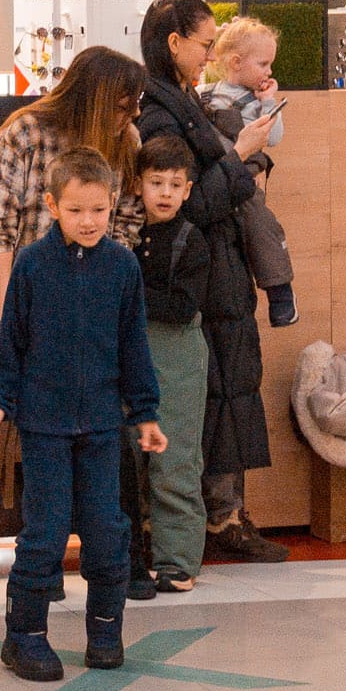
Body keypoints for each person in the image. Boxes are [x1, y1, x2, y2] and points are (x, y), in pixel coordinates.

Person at [0, 148, 163, 683]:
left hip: (104, 428)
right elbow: (10, 341)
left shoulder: (123, 266)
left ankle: (105, 629)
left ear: (112, 207)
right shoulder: (32, 265)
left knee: (108, 530)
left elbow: (134, 347)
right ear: (51, 205)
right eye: (76, 210)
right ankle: (25, 637)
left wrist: (145, 413)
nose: (89, 222)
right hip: (44, 428)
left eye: (99, 211)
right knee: (47, 532)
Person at [138, 0, 280, 562]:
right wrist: (241, 155)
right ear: (175, 43)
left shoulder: (183, 100)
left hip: (216, 270)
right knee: (197, 401)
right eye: (204, 43)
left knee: (227, 389)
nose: (210, 54)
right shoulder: (160, 110)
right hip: (193, 277)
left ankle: (219, 517)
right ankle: (202, 525)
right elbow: (181, 202)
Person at [0, 45, 148, 329]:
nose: (135, 113)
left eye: (135, 104)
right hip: (26, 301)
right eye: (122, 107)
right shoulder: (28, 132)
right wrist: (4, 307)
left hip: (92, 306)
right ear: (94, 102)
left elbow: (126, 223)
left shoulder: (127, 140)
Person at [131, 136, 210, 597]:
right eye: (155, 181)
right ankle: (130, 558)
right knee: (126, 458)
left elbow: (183, 307)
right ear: (137, 184)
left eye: (174, 184)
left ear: (188, 189)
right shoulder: (124, 232)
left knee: (174, 457)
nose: (164, 192)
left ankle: (178, 560)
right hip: (131, 353)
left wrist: (127, 294)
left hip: (177, 357)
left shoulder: (190, 241)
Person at [199, 17, 299, 328]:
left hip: (242, 180)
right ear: (236, 62)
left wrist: (268, 104)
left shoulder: (259, 105)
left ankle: (280, 290)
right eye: (263, 64)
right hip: (212, 177)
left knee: (262, 224)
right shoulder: (204, 93)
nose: (269, 72)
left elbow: (274, 137)